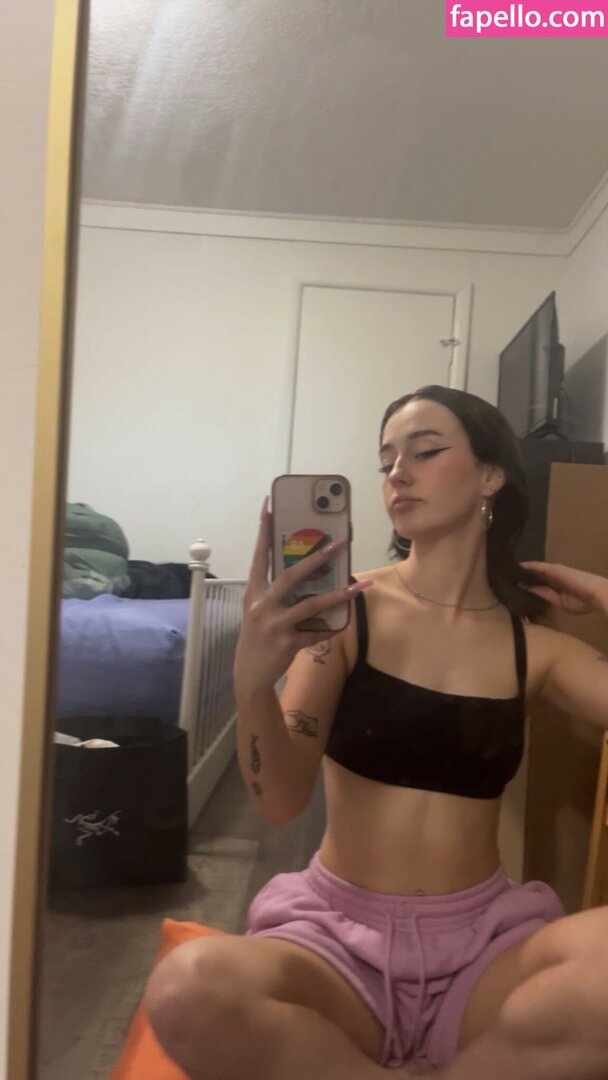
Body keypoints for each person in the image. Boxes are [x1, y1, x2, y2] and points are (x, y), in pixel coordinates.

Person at [144, 385, 608, 1079]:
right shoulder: (348, 611)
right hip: (337, 946)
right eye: (387, 459)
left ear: (490, 475)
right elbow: (281, 801)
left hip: (484, 951)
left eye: (425, 451)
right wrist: (252, 683)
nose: (397, 473)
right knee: (188, 987)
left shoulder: (532, 647)